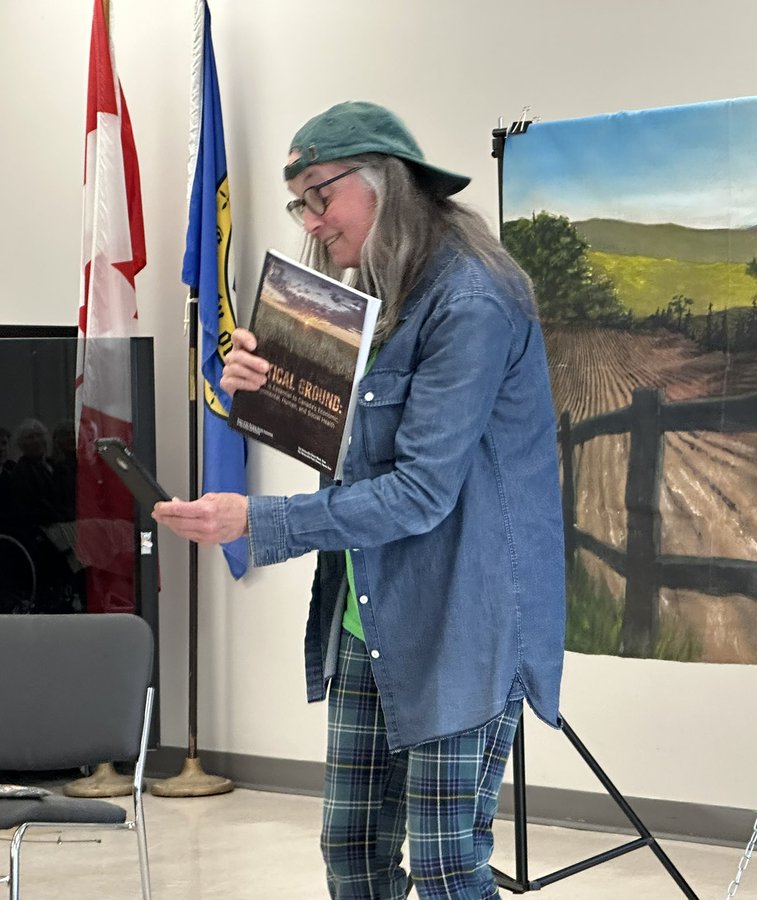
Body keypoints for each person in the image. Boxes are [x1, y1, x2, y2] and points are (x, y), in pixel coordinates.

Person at [153, 101, 566, 900]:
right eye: (298, 201)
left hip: (459, 621)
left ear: (387, 184)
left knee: (447, 867)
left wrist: (258, 521)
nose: (310, 221)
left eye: (319, 195)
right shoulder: (368, 293)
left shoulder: (472, 300)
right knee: (351, 851)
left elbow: (417, 493)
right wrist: (253, 390)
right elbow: (343, 446)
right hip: (367, 610)